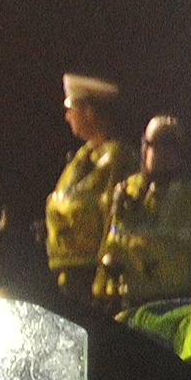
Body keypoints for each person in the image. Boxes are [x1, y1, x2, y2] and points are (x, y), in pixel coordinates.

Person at [95, 115, 191, 312]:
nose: (144, 150)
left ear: (173, 151)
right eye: (144, 143)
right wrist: (103, 289)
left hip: (169, 304)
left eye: (151, 144)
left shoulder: (189, 197)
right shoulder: (128, 189)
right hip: (127, 302)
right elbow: (113, 241)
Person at [44, 73, 134, 303]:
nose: (67, 116)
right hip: (68, 274)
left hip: (94, 277)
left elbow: (116, 220)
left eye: (71, 107)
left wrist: (105, 279)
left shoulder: (118, 159)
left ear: (90, 110)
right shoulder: (81, 159)